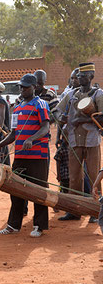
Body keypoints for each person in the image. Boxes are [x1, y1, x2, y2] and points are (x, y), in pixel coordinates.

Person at [0, 74, 51, 237]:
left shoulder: (41, 104)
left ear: (34, 87)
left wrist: (31, 139)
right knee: (16, 190)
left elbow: (45, 127)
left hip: (38, 156)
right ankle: (13, 224)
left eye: (25, 87)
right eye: (21, 87)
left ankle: (39, 225)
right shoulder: (17, 108)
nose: (22, 89)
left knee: (38, 190)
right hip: (20, 155)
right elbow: (13, 134)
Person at [56, 62, 103, 222]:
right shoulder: (72, 94)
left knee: (93, 175)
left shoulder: (98, 94)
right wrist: (61, 118)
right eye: (78, 76)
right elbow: (57, 111)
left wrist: (80, 118)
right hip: (74, 141)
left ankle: (96, 211)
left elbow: (101, 118)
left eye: (83, 76)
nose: (79, 78)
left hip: (91, 140)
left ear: (91, 76)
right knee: (74, 177)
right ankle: (74, 211)